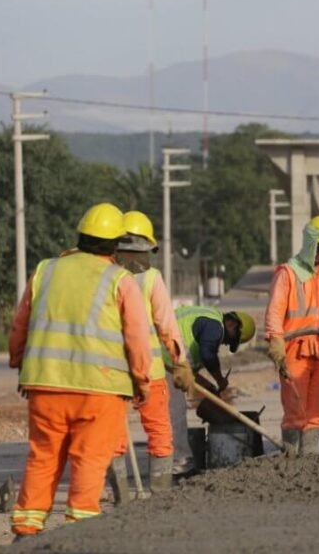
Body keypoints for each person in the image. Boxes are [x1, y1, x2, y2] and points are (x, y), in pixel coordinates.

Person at [7, 203, 152, 539]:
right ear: (116, 244)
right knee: (89, 459)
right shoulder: (120, 280)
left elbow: (20, 326)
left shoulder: (45, 270)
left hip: (45, 386)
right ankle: (80, 532)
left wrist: (19, 363)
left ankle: (26, 530)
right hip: (99, 392)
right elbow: (137, 337)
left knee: (43, 456)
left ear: (81, 236)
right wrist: (141, 379)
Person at [106, 211, 195, 500]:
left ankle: (120, 495)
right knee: (159, 431)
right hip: (151, 371)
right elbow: (167, 326)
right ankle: (160, 493)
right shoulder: (151, 279)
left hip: (113, 371)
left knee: (114, 433)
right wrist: (180, 361)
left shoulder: (105, 276)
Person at [265, 216, 319, 456]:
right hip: (294, 350)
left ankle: (310, 461)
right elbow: (274, 311)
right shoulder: (288, 273)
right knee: (296, 409)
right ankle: (291, 458)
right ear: (309, 243)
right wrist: (275, 339)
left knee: (316, 410)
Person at [172, 304, 255, 474]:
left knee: (173, 411)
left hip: (168, 358)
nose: (225, 343)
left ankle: (177, 461)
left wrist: (208, 385)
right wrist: (220, 379)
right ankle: (179, 465)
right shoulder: (215, 325)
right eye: (230, 340)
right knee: (175, 412)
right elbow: (208, 355)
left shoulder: (209, 321)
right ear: (232, 324)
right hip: (161, 355)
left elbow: (190, 372)